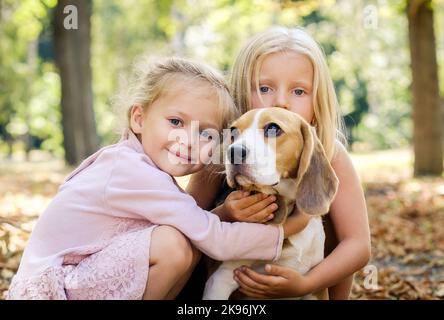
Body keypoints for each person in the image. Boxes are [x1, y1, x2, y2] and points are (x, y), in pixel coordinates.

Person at [7, 57, 303, 300]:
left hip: (75, 276)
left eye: (205, 133)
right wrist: (293, 226)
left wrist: (223, 212)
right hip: (50, 291)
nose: (188, 140)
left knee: (186, 243)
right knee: (173, 244)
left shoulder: (139, 164)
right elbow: (216, 241)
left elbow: (198, 228)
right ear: (139, 118)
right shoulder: (129, 171)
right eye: (175, 122)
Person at [186, 27, 371, 299]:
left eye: (298, 91)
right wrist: (225, 214)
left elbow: (358, 245)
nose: (281, 101)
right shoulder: (227, 149)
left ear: (318, 99)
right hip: (236, 287)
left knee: (329, 214)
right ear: (241, 90)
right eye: (264, 88)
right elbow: (185, 220)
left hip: (307, 278)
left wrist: (307, 284)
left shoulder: (332, 152)